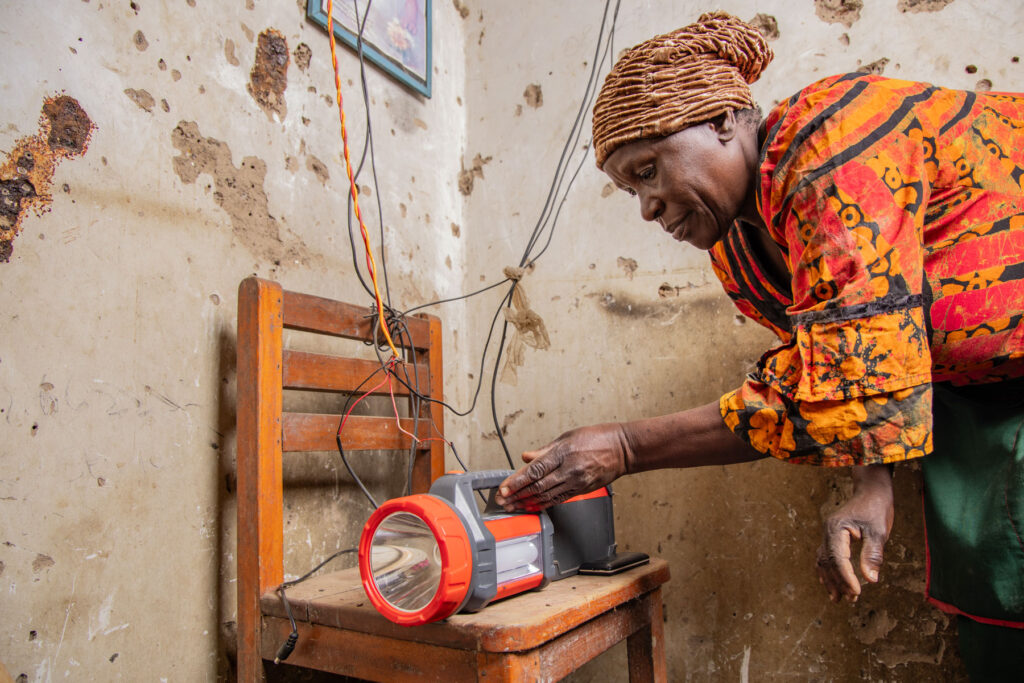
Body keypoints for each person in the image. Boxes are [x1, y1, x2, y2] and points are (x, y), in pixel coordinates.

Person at [494, 11, 1024, 679]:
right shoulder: (741, 252)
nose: (648, 209)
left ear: (722, 121)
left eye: (650, 170)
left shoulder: (829, 140)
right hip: (971, 407)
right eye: (632, 191)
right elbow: (834, 376)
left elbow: (843, 367)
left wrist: (625, 446)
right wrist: (872, 478)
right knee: (995, 622)